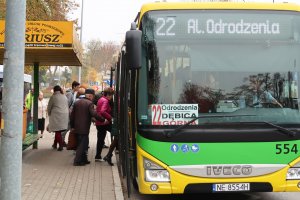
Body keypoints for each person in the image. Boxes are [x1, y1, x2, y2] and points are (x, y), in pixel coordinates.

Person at [70, 88, 105, 166]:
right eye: (93, 96)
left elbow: (72, 116)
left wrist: (72, 126)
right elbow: (94, 114)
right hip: (84, 127)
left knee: (84, 143)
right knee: (82, 145)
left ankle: (84, 160)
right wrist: (102, 119)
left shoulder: (77, 102)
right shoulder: (89, 103)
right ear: (90, 96)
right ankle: (77, 161)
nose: (93, 98)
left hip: (77, 127)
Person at [95, 87, 114, 161]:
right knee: (116, 134)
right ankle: (109, 154)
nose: (112, 97)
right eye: (111, 95)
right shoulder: (105, 101)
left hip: (99, 123)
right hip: (104, 122)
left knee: (100, 139)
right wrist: (110, 118)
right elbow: (103, 111)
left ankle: (98, 156)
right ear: (108, 95)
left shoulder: (100, 99)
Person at [47, 85, 69, 151]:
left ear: (54, 90)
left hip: (56, 115)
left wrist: (49, 114)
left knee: (57, 131)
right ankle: (54, 144)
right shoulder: (64, 96)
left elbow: (49, 107)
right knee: (58, 130)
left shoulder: (53, 97)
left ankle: (61, 145)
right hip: (65, 115)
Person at [61, 81, 80, 147]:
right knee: (67, 127)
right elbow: (67, 104)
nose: (78, 88)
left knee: (67, 127)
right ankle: (61, 141)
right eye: (77, 87)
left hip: (68, 113)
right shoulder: (70, 94)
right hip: (68, 113)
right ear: (74, 86)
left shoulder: (72, 93)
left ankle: (61, 140)